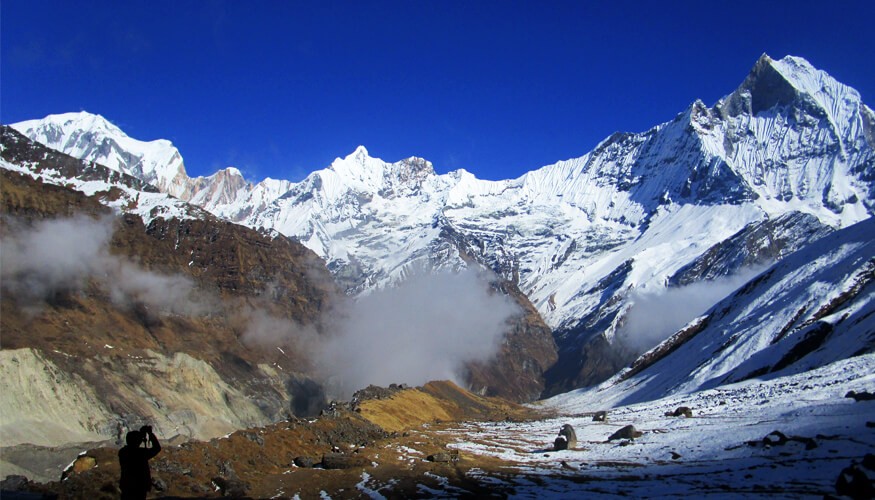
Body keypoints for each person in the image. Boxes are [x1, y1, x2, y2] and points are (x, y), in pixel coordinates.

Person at [119, 425, 161, 500]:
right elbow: (157, 448)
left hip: (127, 485)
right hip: (139, 485)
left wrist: (140, 436)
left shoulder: (123, 452)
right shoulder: (140, 453)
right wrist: (150, 434)